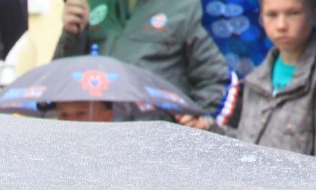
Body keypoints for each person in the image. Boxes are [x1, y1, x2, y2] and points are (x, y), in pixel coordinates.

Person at [178, 0, 316, 153]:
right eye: (272, 15)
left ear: (313, 13)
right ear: (261, 17)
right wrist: (207, 128)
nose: (281, 25)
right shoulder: (256, 79)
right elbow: (248, 144)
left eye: (293, 13)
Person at [57, 0, 229, 113]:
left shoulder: (184, 6)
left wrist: (196, 123)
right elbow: (60, 82)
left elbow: (215, 77)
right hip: (100, 134)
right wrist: (72, 36)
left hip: (157, 139)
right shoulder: (90, 4)